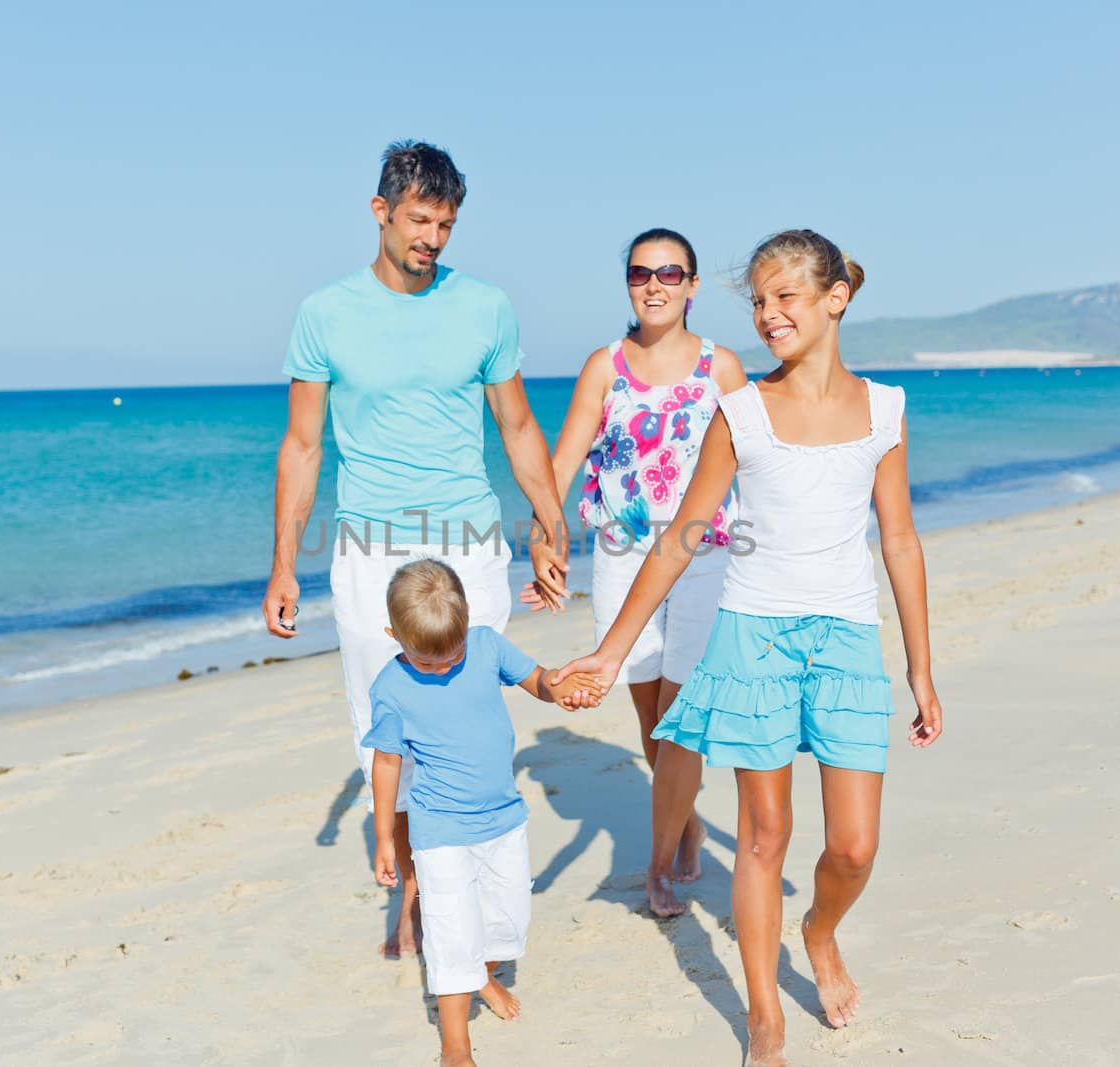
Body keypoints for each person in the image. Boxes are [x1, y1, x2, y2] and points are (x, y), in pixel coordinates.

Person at [553, 229, 944, 1067]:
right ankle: (764, 1013)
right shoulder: (740, 412)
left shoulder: (884, 410)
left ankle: (820, 930)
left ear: (835, 297)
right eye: (758, 301)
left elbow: (901, 540)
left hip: (844, 637)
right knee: (765, 835)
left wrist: (920, 666)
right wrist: (613, 650)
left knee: (853, 847)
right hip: (753, 635)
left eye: (785, 298)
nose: (768, 315)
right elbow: (683, 535)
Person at [265, 141, 571, 960]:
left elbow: (515, 424)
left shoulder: (486, 307)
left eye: (446, 223)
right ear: (381, 211)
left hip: (469, 542)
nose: (432, 237)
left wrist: (550, 519)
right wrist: (284, 563)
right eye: (419, 219)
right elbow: (302, 446)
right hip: (368, 548)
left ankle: (460, 899)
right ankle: (410, 892)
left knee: (468, 720)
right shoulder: (325, 312)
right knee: (386, 728)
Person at [521, 227, 748, 917]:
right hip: (621, 554)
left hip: (703, 554)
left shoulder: (723, 368)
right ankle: (685, 820)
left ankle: (656, 862)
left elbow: (758, 461)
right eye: (641, 273)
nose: (655, 284)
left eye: (670, 272)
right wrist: (543, 532)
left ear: (693, 285)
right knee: (649, 712)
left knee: (681, 717)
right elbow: (562, 462)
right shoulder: (604, 366)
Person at [365, 560, 603, 1067]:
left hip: (503, 821)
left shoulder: (486, 646)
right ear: (394, 636)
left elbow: (536, 679)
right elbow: (386, 764)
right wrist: (386, 836)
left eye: (451, 656)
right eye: (426, 663)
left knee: (508, 923)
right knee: (452, 935)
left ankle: (485, 976)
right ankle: (456, 1046)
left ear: (467, 621)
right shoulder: (390, 687)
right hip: (439, 830)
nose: (443, 668)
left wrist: (561, 693)